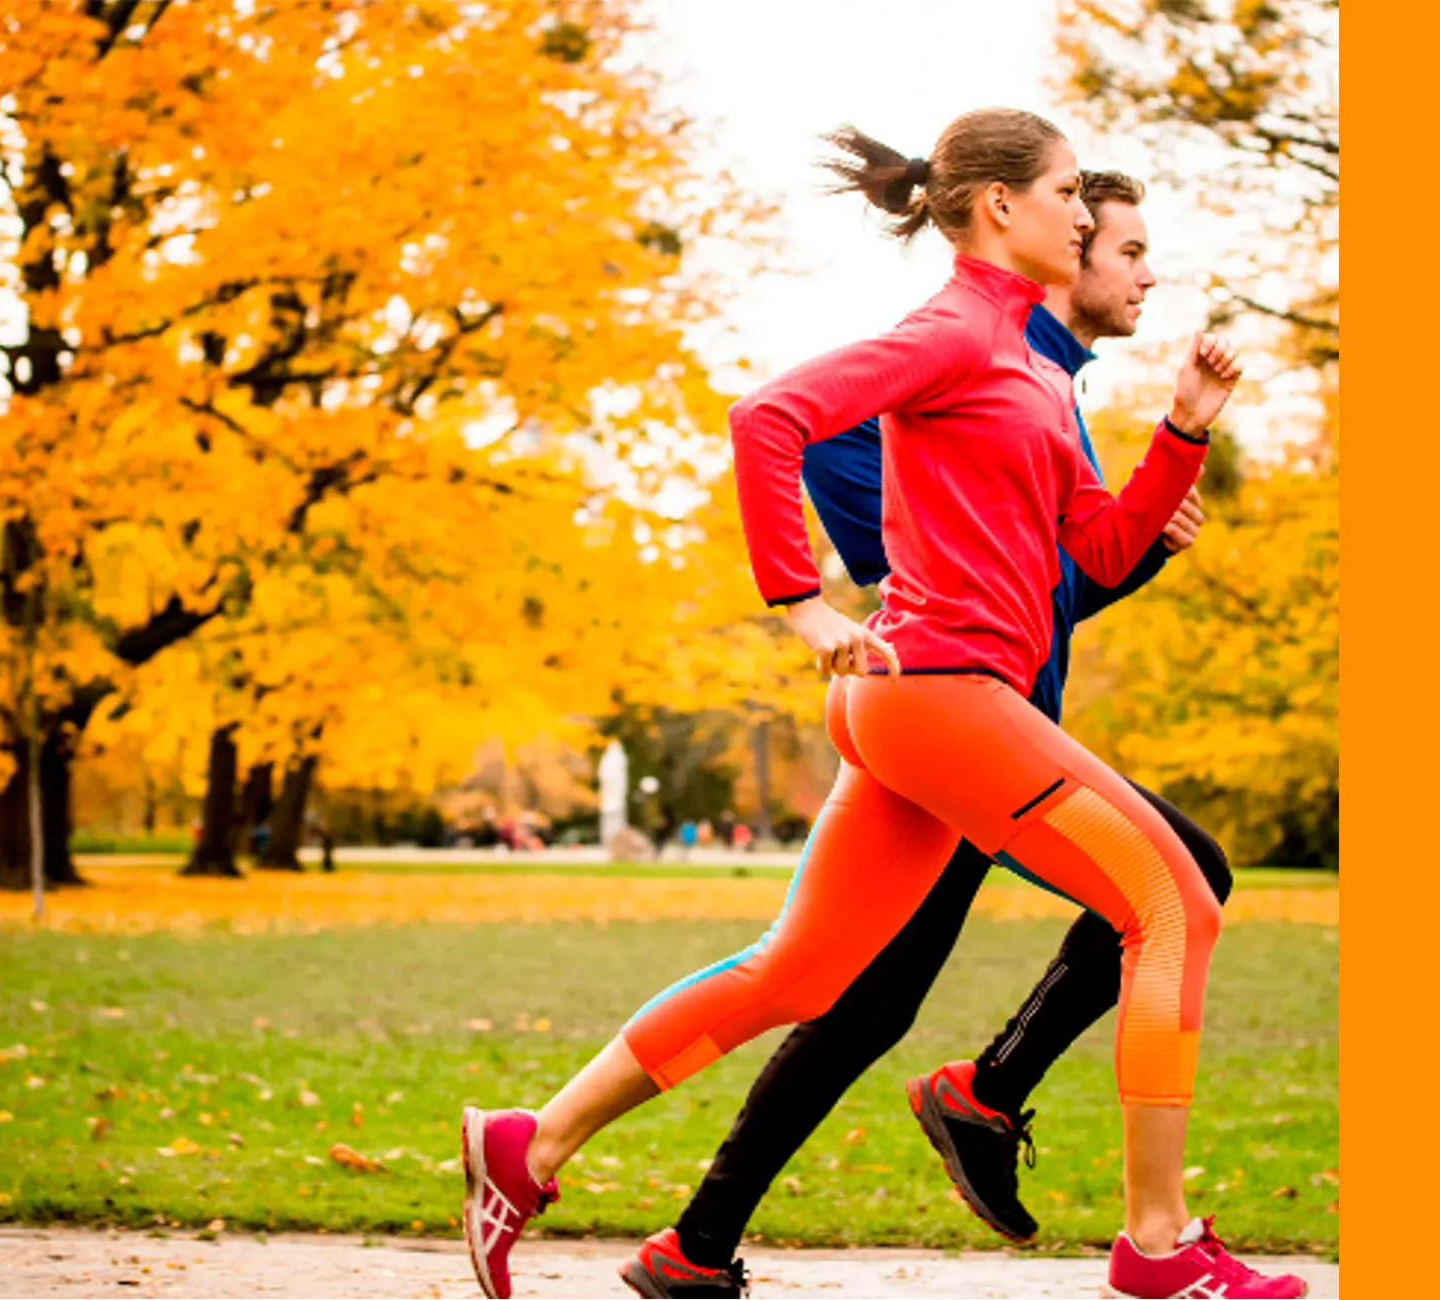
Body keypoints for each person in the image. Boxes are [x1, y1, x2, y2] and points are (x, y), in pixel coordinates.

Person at [458, 108, 1298, 1300]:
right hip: (940, 692)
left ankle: (526, 1145)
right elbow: (769, 418)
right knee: (1171, 907)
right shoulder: (952, 330)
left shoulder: (1029, 369)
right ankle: (1157, 1246)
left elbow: (1098, 553)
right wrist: (798, 601)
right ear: (1000, 207)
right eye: (1067, 192)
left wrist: (1179, 433)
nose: (1082, 211)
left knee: (797, 974)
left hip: (922, 703)